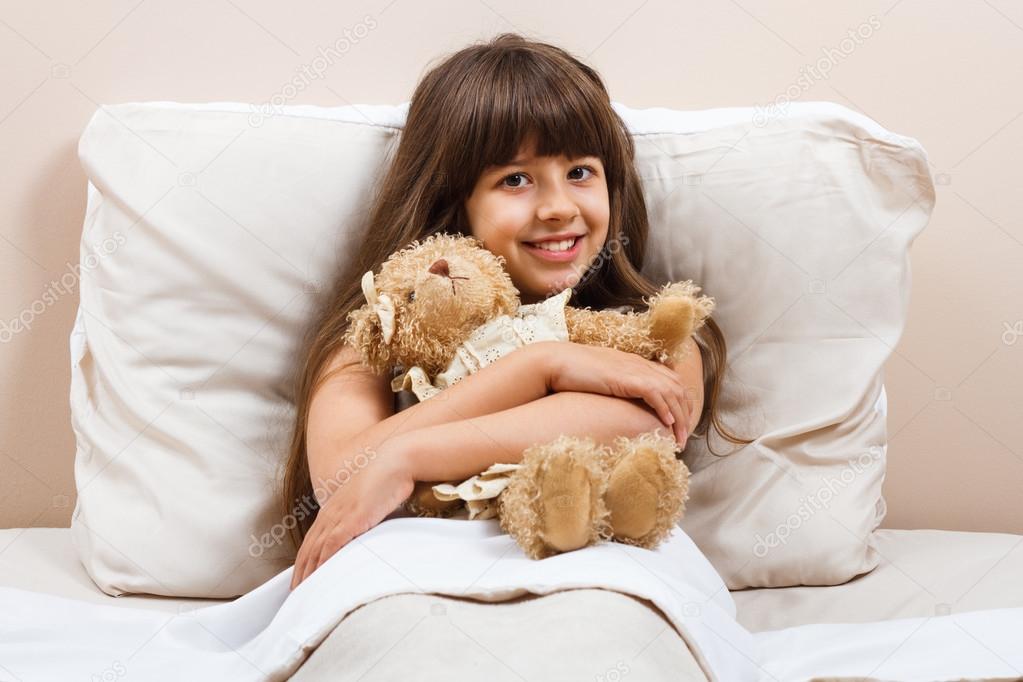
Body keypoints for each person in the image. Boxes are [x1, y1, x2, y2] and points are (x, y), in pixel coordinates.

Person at [284, 33, 752, 590]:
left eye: (580, 171)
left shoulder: (650, 333)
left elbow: (652, 423)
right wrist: (541, 367)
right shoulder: (386, 330)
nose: (558, 207)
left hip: (595, 580)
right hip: (406, 577)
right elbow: (343, 474)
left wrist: (408, 455)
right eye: (515, 179)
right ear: (454, 202)